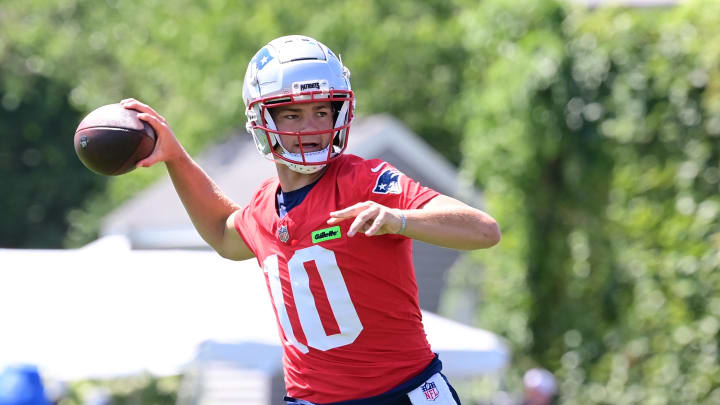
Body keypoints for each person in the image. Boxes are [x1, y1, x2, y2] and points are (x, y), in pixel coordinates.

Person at [121, 34, 500, 405]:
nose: (312, 128)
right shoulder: (265, 207)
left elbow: (483, 230)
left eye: (322, 111)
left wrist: (398, 218)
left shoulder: (364, 181)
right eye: (292, 114)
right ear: (262, 118)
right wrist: (176, 158)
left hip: (402, 393)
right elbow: (222, 232)